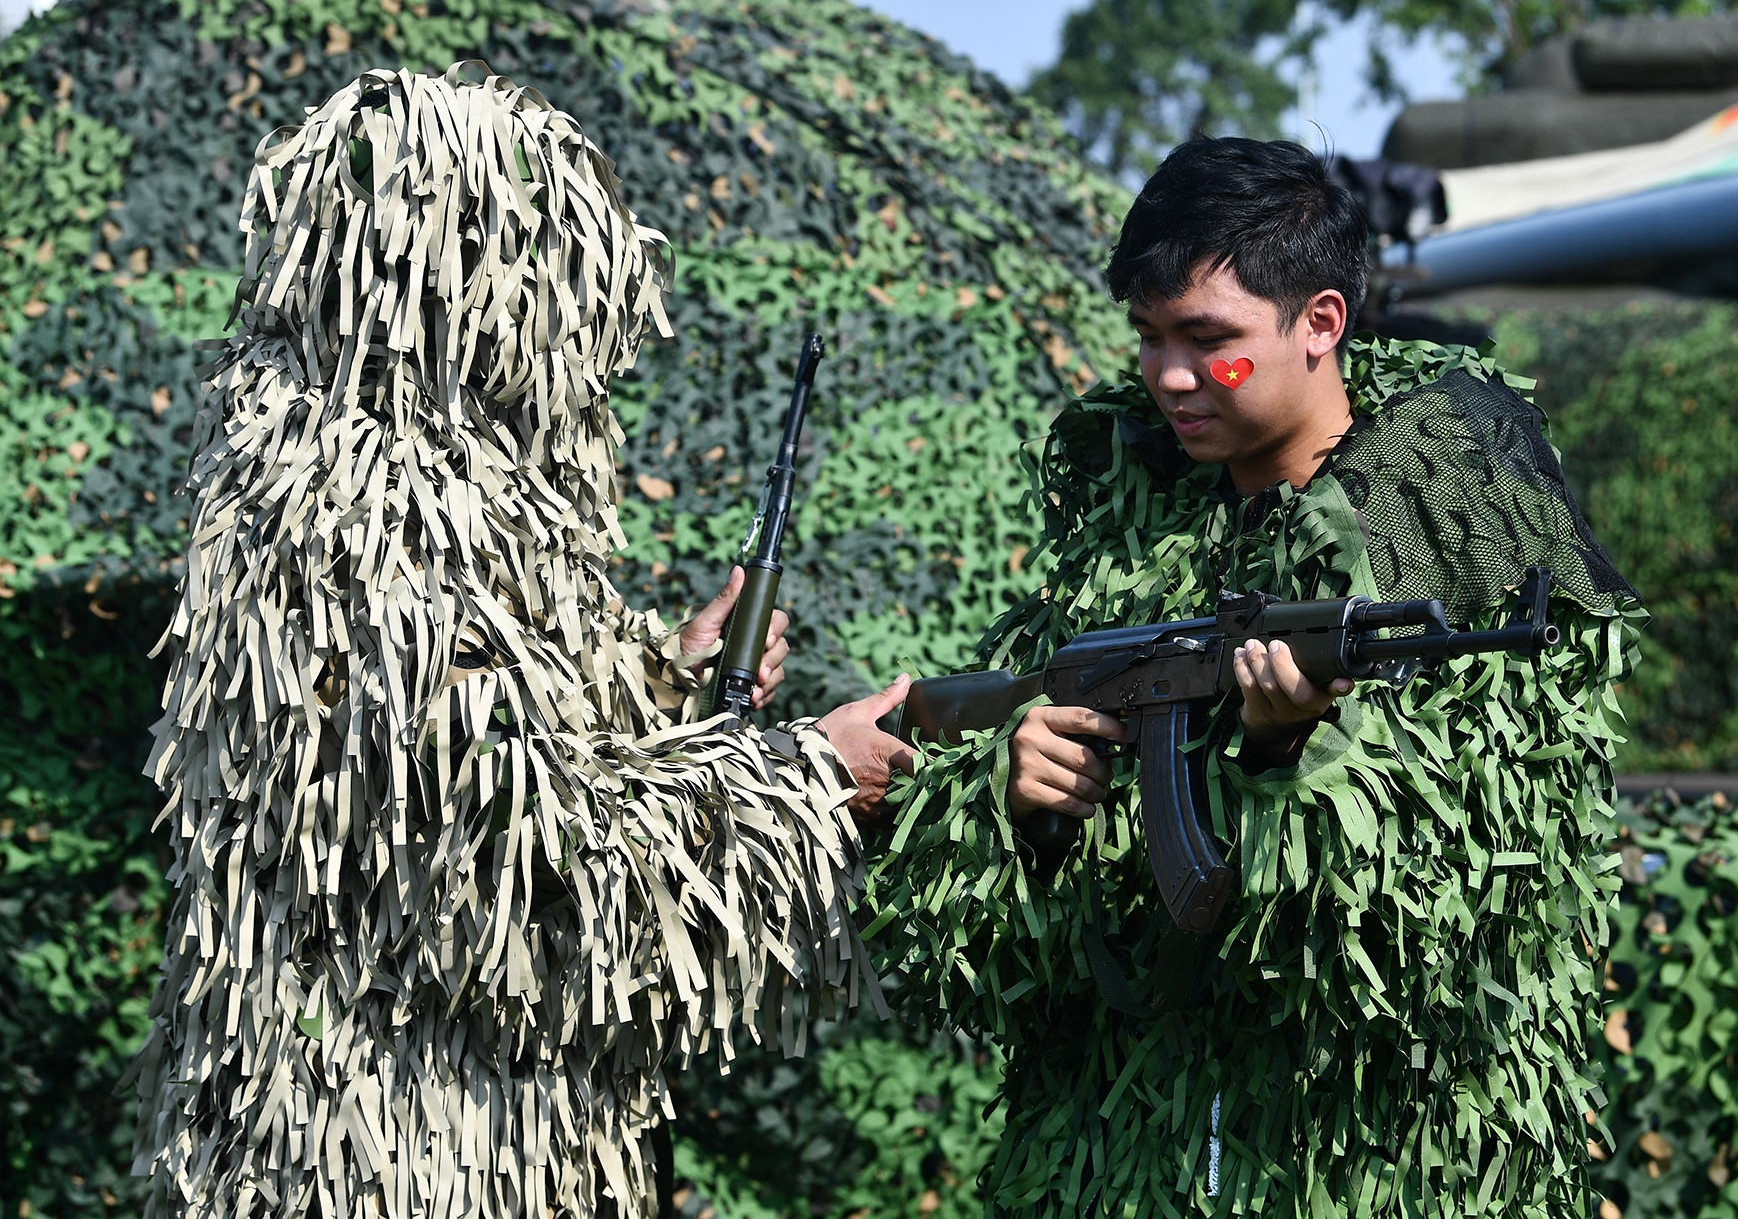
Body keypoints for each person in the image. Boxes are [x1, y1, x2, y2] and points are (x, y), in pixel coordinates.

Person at [127, 65, 912, 1219]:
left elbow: (490, 730)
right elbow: (537, 883)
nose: (590, 337)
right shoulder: (374, 521)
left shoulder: (356, 471)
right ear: (468, 276)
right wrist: (807, 777)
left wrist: (663, 674)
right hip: (393, 1166)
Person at [869, 137, 1642, 1217]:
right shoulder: (1125, 508)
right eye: (1149, 338)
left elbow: (1484, 902)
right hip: (1123, 1150)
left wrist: (1297, 758)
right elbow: (989, 943)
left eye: (1209, 340)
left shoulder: (1447, 510)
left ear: (1320, 322)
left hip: (1364, 1161)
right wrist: (1022, 798)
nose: (1170, 376)